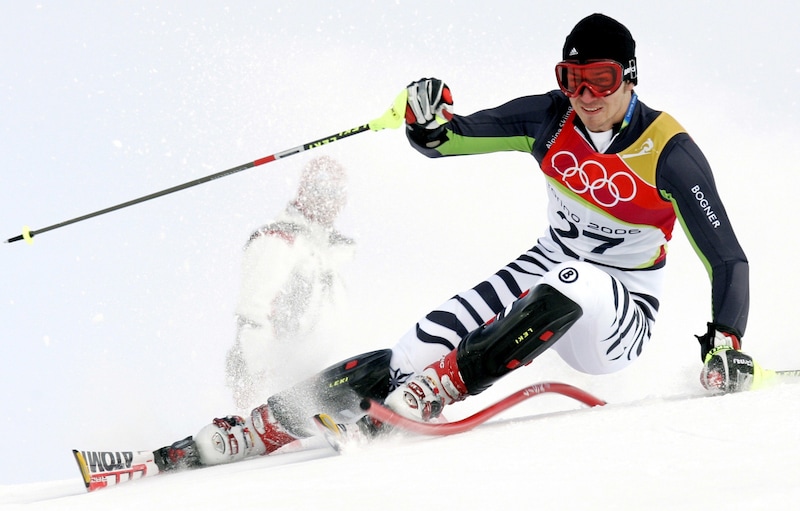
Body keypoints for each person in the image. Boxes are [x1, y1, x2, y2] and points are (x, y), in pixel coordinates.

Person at [153, 13, 770, 471]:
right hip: (547, 266)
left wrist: (726, 342)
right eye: (572, 78)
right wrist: (425, 116)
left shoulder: (668, 152)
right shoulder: (548, 118)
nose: (585, 96)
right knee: (416, 344)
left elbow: (728, 257)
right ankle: (255, 427)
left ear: (630, 78)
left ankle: (435, 392)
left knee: (571, 279)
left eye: (601, 79)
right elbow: (447, 139)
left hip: (620, 310)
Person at [225, 155, 355, 410]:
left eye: (335, 192)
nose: (328, 200)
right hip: (275, 380)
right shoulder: (278, 241)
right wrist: (256, 390)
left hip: (321, 377)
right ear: (305, 191)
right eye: (320, 190)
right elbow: (253, 316)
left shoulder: (334, 252)